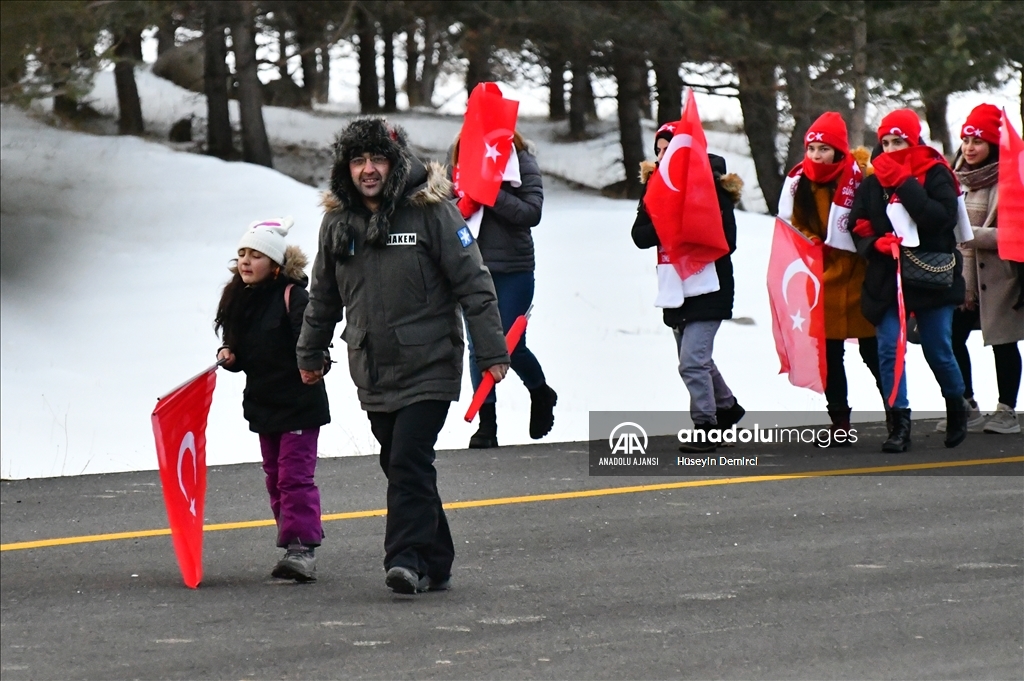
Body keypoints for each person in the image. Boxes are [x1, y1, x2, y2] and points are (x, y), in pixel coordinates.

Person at [296, 117, 510, 595]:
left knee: (409, 461)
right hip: (373, 367)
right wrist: (310, 352)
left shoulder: (431, 211)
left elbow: (474, 284)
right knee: (399, 464)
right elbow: (324, 296)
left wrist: (492, 351)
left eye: (378, 159)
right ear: (346, 167)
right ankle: (439, 561)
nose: (368, 169)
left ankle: (405, 559)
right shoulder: (337, 222)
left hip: (430, 361)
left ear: (396, 163)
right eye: (358, 160)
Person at [215, 217, 330, 582]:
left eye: (256, 255)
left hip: (299, 405)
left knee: (294, 478)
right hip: (264, 406)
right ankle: (293, 540)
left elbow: (312, 341)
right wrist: (229, 355)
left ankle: (301, 547)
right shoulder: (240, 298)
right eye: (242, 254)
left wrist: (317, 364)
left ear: (276, 264)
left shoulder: (293, 296)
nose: (246, 261)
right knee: (275, 478)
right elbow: (245, 349)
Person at [849, 109, 968, 452]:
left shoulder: (936, 173)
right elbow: (857, 225)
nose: (890, 149)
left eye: (898, 142)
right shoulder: (872, 183)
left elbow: (942, 220)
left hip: (931, 276)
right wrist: (875, 243)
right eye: (885, 143)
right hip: (887, 279)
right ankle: (898, 424)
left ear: (914, 142)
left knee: (937, 347)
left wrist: (906, 184)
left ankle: (956, 404)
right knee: (889, 347)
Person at [631, 123, 745, 454]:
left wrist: (692, 221)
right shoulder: (654, 188)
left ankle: (706, 426)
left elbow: (728, 242)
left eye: (669, 149)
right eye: (658, 150)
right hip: (675, 288)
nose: (662, 156)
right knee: (696, 360)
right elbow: (639, 236)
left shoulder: (712, 186)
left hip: (710, 287)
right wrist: (668, 220)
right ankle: (727, 408)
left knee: (692, 362)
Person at [777, 112, 885, 446]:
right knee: (829, 355)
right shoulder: (800, 183)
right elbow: (796, 223)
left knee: (873, 352)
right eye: (811, 149)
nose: (816, 156)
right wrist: (811, 240)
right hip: (823, 277)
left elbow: (879, 218)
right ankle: (839, 422)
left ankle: (897, 416)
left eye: (823, 149)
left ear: (839, 150)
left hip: (861, 275)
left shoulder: (862, 178)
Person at [449, 131, 557, 449]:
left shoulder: (521, 159)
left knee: (510, 345)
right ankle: (487, 424)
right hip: (471, 268)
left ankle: (540, 392)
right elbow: (442, 210)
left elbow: (531, 212)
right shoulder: (460, 154)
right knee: (479, 346)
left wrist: (491, 193)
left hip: (513, 269)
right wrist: (462, 205)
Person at [940, 103, 1022, 435]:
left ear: (993, 144)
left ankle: (1006, 411)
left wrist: (969, 234)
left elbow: (1015, 233)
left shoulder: (1011, 179)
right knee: (952, 338)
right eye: (966, 140)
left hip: (1001, 277)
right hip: (961, 279)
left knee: (1003, 342)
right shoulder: (953, 178)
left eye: (978, 141)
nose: (969, 148)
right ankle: (967, 404)